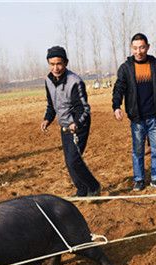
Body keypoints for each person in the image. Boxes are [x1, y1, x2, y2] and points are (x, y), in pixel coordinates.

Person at [113, 33, 156, 191]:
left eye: (142, 47)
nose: (139, 51)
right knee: (138, 151)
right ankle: (139, 179)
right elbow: (119, 88)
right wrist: (116, 106)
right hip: (137, 118)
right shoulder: (126, 68)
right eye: (135, 48)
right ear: (132, 49)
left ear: (148, 47)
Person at [40, 46, 100, 197]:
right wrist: (47, 118)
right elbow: (51, 104)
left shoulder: (75, 82)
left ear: (65, 63)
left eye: (59, 63)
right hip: (64, 126)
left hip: (79, 125)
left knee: (74, 159)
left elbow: (84, 109)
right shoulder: (48, 80)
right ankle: (82, 190)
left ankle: (93, 186)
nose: (56, 68)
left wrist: (76, 124)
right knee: (69, 161)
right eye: (52, 64)